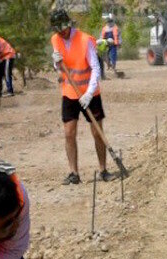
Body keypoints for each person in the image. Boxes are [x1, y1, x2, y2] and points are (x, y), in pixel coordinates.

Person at [49, 9, 112, 185]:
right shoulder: (55, 39)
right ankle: (73, 173)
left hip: (90, 93)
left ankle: (103, 170)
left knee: (97, 133)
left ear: (68, 24)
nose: (61, 32)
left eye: (62, 27)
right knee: (69, 133)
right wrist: (55, 61)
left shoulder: (85, 40)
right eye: (57, 29)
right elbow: (60, 67)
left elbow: (96, 69)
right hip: (69, 92)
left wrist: (88, 94)